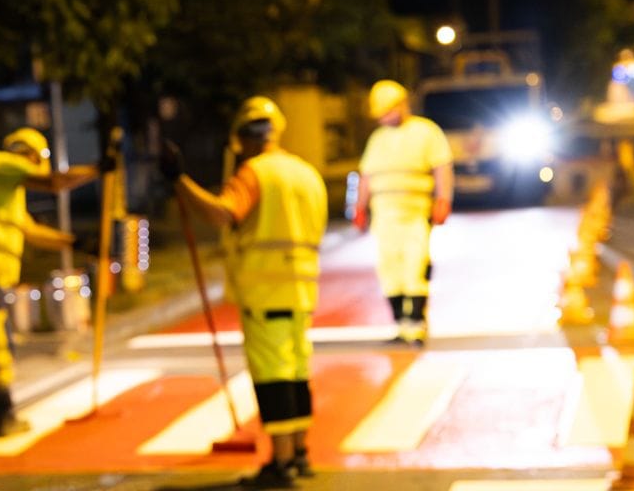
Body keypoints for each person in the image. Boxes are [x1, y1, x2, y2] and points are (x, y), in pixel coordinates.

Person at [162, 97, 327, 488]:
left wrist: (179, 182)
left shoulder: (256, 173)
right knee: (298, 371)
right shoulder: (306, 174)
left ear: (242, 138)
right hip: (303, 290)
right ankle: (300, 454)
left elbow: (223, 212)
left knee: (272, 376)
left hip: (265, 291)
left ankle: (281, 464)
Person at [0, 127, 96, 438]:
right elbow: (55, 182)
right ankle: (1, 417)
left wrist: (76, 242)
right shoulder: (0, 163)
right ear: (32, 155)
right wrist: (99, 169)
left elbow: (32, 231)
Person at [353, 80, 453, 346]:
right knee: (389, 269)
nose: (385, 118)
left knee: (414, 264)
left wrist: (443, 199)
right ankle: (400, 324)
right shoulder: (378, 139)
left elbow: (441, 167)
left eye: (388, 111)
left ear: (402, 105)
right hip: (384, 213)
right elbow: (366, 176)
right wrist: (359, 207)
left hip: (415, 210)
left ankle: (416, 325)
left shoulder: (425, 132)